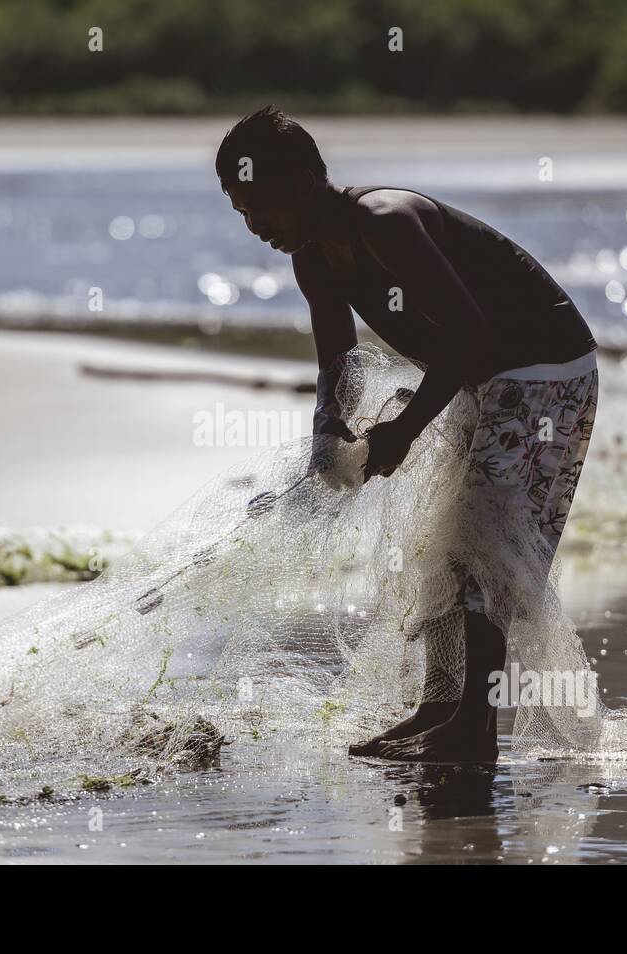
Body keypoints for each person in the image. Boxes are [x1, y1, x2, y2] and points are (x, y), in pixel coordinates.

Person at [216, 105, 598, 762]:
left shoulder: (385, 223)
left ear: (306, 183)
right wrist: (328, 439)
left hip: (545, 374)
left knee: (485, 542)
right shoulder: (314, 260)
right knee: (440, 546)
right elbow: (339, 366)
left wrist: (403, 430)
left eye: (264, 207)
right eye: (242, 213)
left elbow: (472, 333)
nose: (256, 228)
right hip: (481, 379)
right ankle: (438, 707)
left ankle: (472, 729)